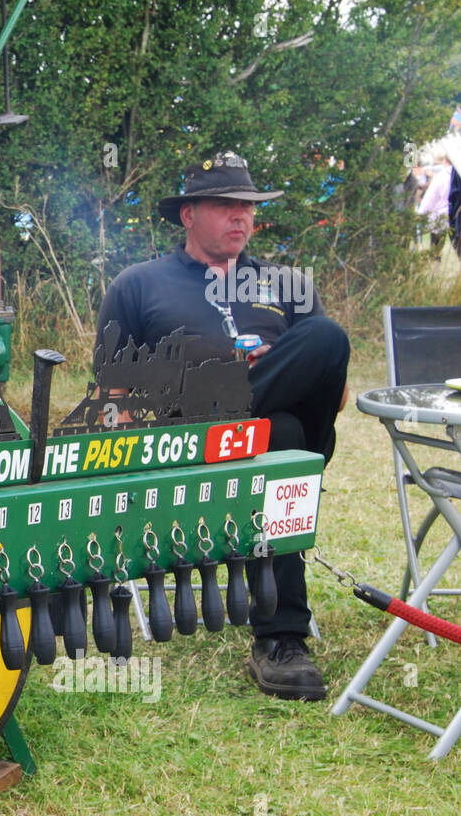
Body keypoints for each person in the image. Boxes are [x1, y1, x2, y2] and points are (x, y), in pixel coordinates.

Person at [95, 151, 350, 701]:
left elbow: (337, 393)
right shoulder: (139, 285)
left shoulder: (289, 285)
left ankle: (279, 642)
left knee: (321, 349)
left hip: (281, 437)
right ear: (188, 215)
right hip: (187, 438)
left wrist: (261, 374)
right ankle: (282, 640)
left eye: (248, 207)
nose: (241, 217)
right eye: (224, 206)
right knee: (278, 436)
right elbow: (110, 398)